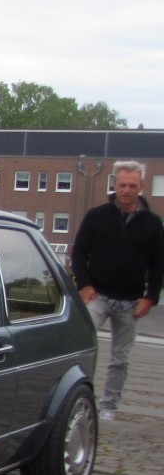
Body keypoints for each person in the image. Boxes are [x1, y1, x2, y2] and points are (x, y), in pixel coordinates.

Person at [70, 160, 164, 421]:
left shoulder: (152, 223)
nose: (127, 190)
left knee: (120, 359)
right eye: (122, 185)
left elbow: (158, 264)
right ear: (114, 185)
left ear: (141, 186)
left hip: (130, 302)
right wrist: (84, 285)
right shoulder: (96, 216)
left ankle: (109, 406)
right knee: (83, 346)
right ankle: (77, 398)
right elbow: (79, 253)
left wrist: (151, 297)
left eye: (132, 185)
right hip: (98, 296)